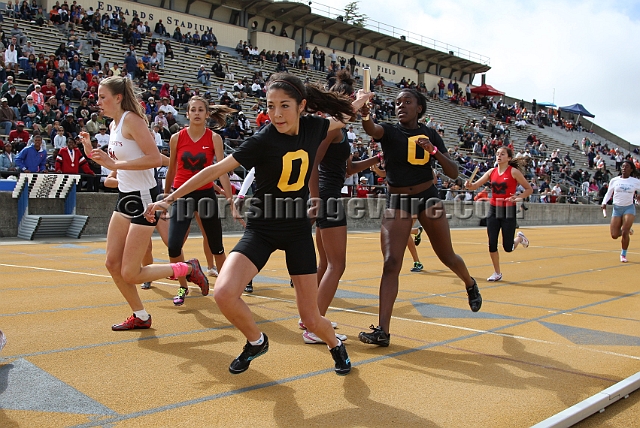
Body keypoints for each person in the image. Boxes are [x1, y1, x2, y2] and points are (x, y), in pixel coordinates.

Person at [146, 73, 369, 375]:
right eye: (270, 106)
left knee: (311, 317)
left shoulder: (316, 127)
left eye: (285, 106)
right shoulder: (264, 138)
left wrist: (362, 100)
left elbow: (347, 113)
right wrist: (168, 199)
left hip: (297, 232)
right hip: (261, 230)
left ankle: (335, 347)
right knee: (224, 292)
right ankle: (256, 341)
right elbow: (214, 169)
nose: (276, 114)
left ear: (302, 105)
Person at [78, 76, 210, 331]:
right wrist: (89, 151)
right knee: (111, 263)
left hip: (142, 198)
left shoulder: (132, 120)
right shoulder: (115, 124)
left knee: (131, 272)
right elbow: (127, 161)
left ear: (118, 98)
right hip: (126, 197)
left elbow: (151, 158)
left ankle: (186, 268)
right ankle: (140, 315)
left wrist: (115, 165)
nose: (98, 101)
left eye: (102, 96)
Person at [358, 88, 482, 347]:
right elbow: (372, 131)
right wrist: (365, 115)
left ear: (419, 108)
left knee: (446, 255)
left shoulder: (431, 133)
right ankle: (383, 330)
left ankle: (470, 283)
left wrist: (434, 151)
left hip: (428, 196)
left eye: (407, 101)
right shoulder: (390, 131)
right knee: (391, 262)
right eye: (397, 102)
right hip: (399, 200)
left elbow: (453, 171)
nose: (401, 105)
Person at [302, 70, 384, 345]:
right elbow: (313, 164)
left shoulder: (339, 130)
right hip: (327, 197)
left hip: (326, 194)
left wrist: (375, 160)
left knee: (325, 263)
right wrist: (315, 199)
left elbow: (347, 168)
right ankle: (314, 326)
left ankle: (311, 317)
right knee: (338, 265)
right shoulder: (330, 127)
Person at [163, 97, 236, 305]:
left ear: (206, 114)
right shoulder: (177, 137)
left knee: (217, 246)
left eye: (200, 110)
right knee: (174, 246)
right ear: (187, 114)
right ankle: (182, 286)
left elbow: (222, 170)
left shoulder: (214, 138)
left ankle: (226, 290)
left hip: (206, 195)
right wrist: (166, 197)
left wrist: (230, 199)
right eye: (192, 110)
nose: (196, 113)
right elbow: (172, 169)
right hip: (182, 194)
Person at [465, 147, 533, 281]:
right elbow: (474, 186)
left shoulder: (514, 172)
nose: (499, 156)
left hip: (508, 210)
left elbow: (529, 189)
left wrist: (518, 197)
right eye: (497, 154)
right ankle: (497, 273)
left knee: (508, 247)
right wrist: (469, 185)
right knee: (492, 243)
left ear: (508, 158)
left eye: (502, 154)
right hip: (493, 209)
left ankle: (519, 238)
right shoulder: (491, 172)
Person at [601, 160, 640, 263]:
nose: (624, 168)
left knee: (625, 232)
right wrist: (604, 202)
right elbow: (609, 193)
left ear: (631, 169)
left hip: (629, 207)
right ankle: (628, 230)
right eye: (623, 166)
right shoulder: (614, 180)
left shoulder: (635, 181)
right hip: (617, 208)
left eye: (627, 167)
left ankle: (623, 254)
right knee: (614, 235)